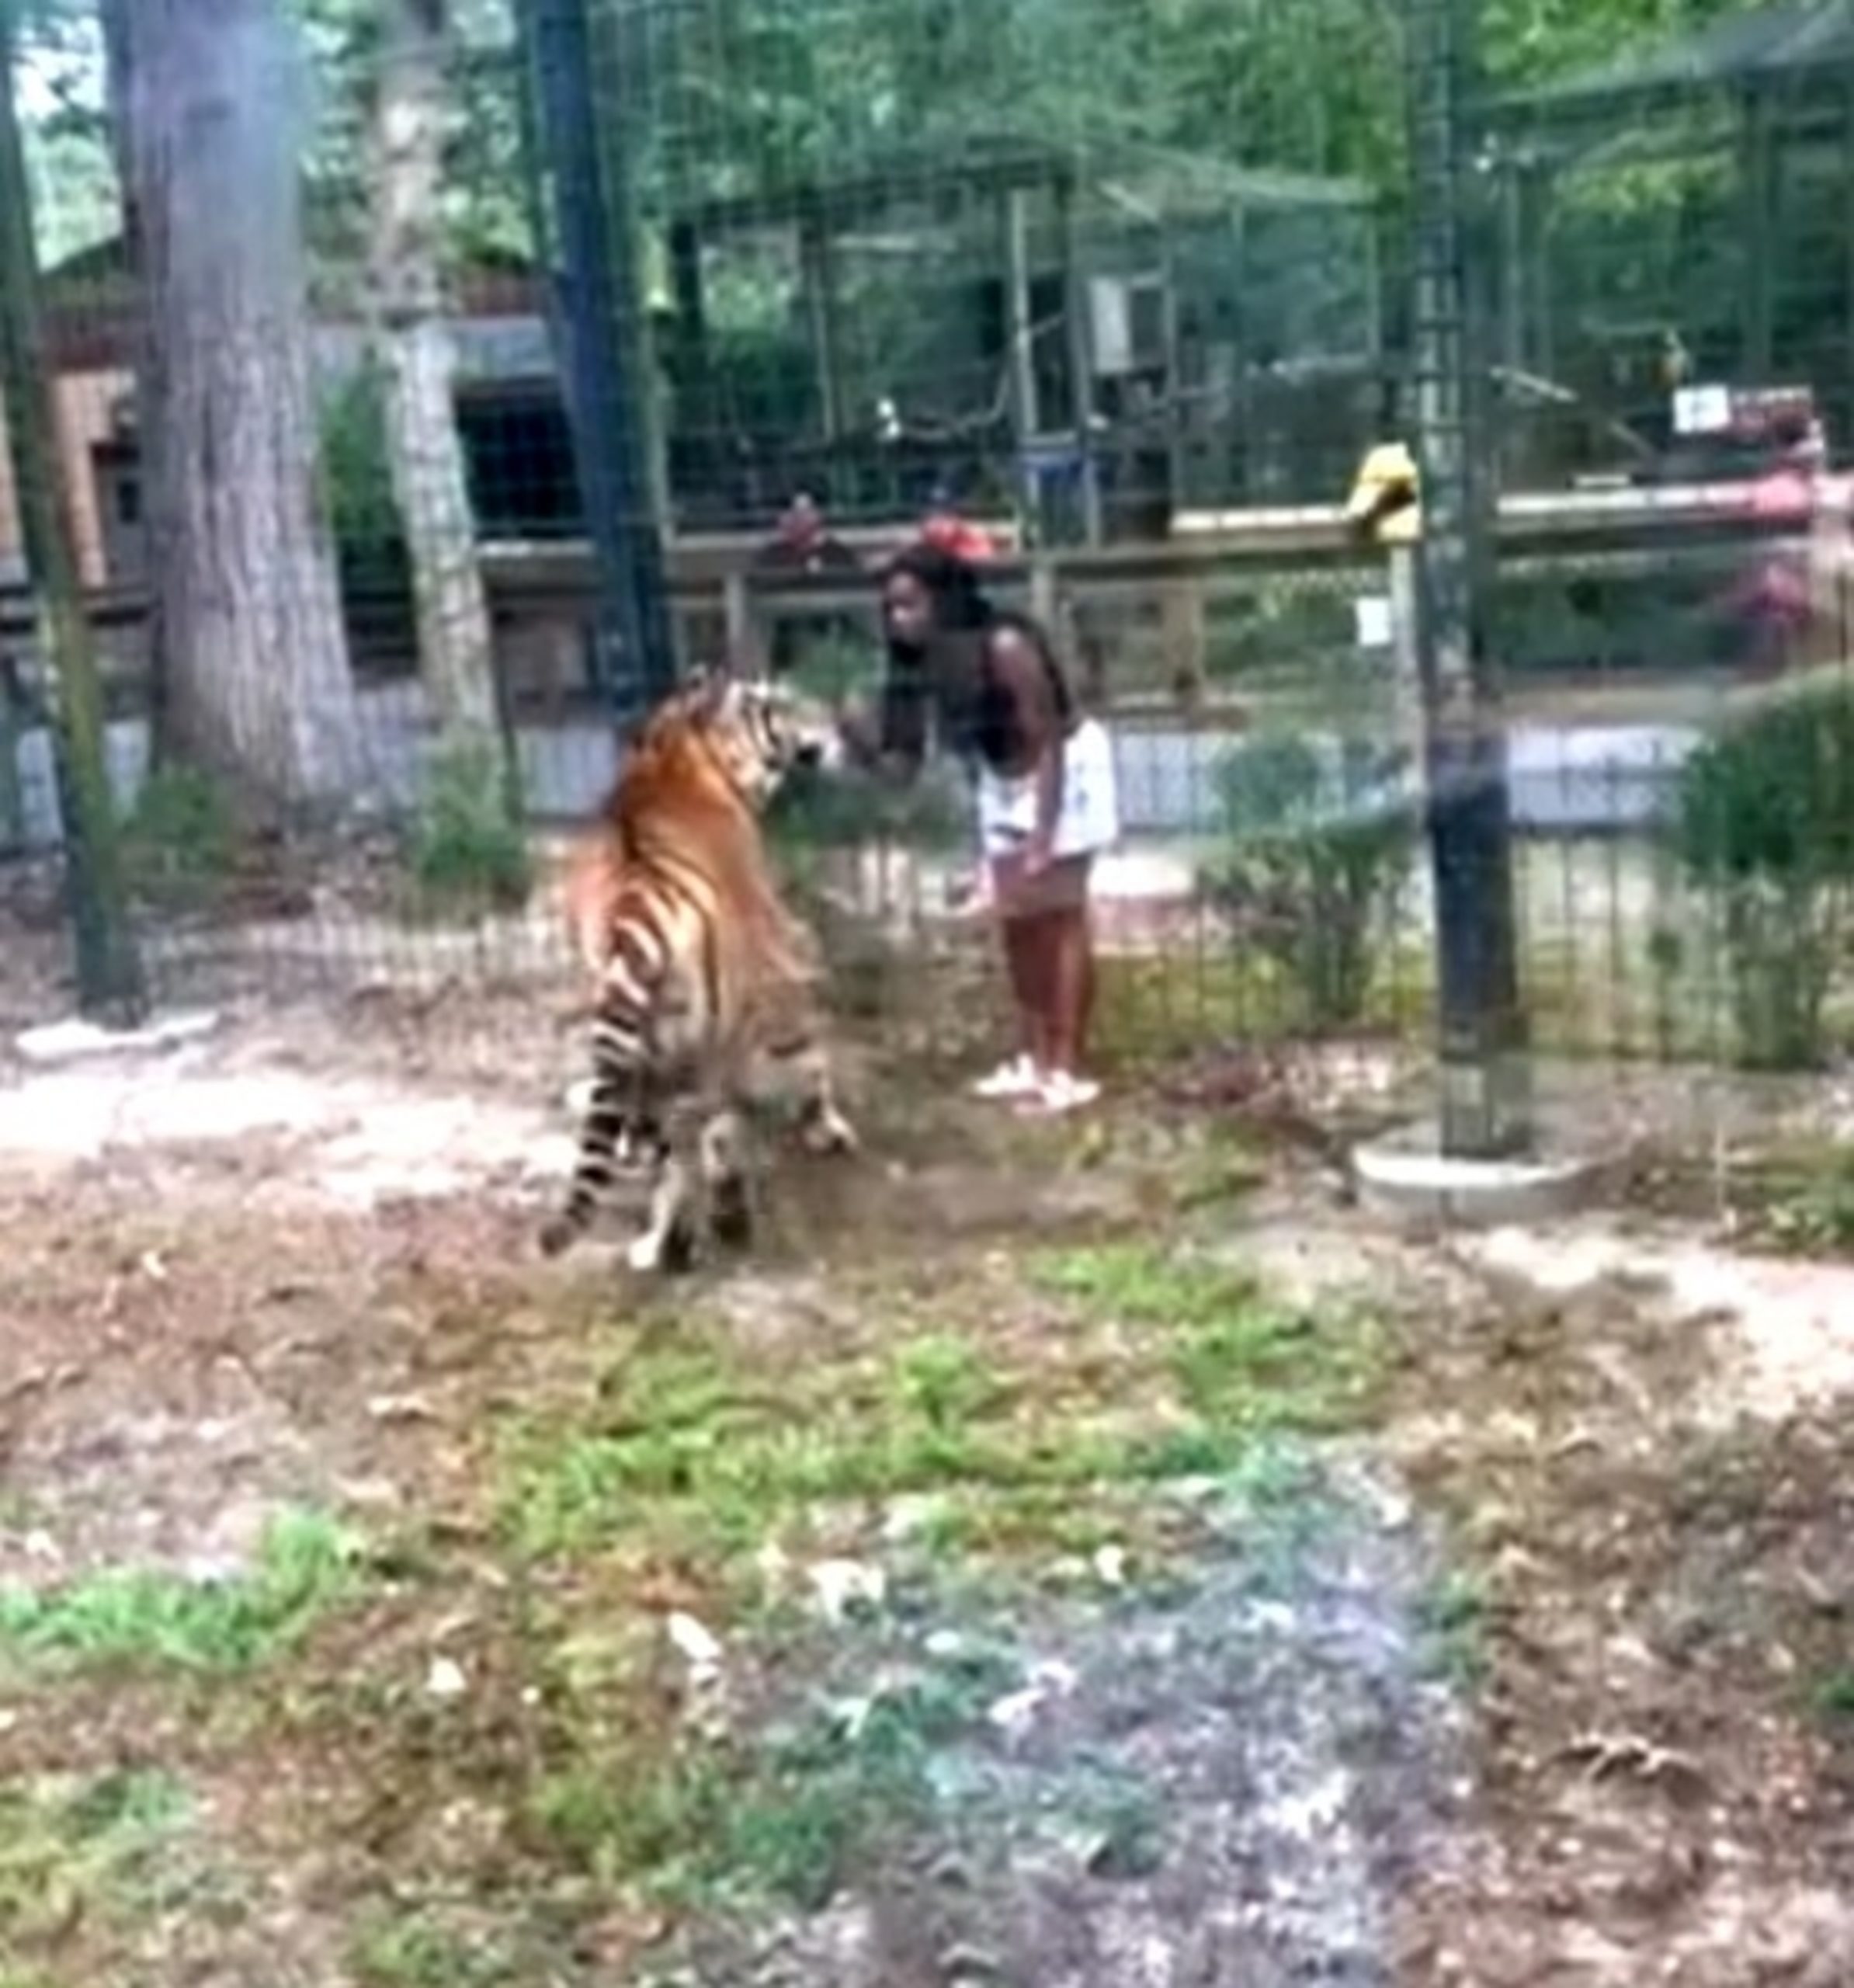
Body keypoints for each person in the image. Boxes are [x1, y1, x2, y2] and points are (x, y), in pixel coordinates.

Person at [858, 541, 1120, 1114]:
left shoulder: (1003, 645)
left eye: (911, 605)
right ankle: (1032, 1057)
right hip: (1001, 778)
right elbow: (901, 770)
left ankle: (1066, 1068)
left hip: (1062, 767)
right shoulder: (917, 666)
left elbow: (1047, 734)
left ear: (944, 601)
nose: (900, 620)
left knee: (1058, 916)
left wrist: (1044, 834)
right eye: (892, 610)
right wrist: (856, 742)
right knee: (1017, 922)